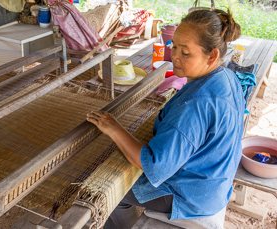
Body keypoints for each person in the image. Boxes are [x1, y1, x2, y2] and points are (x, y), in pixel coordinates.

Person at [86, 8, 244, 229]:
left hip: (191, 194)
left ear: (213, 55)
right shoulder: (226, 77)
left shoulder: (195, 105)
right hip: (213, 180)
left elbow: (153, 166)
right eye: (174, 47)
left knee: (104, 192)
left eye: (185, 53)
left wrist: (113, 128)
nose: (175, 56)